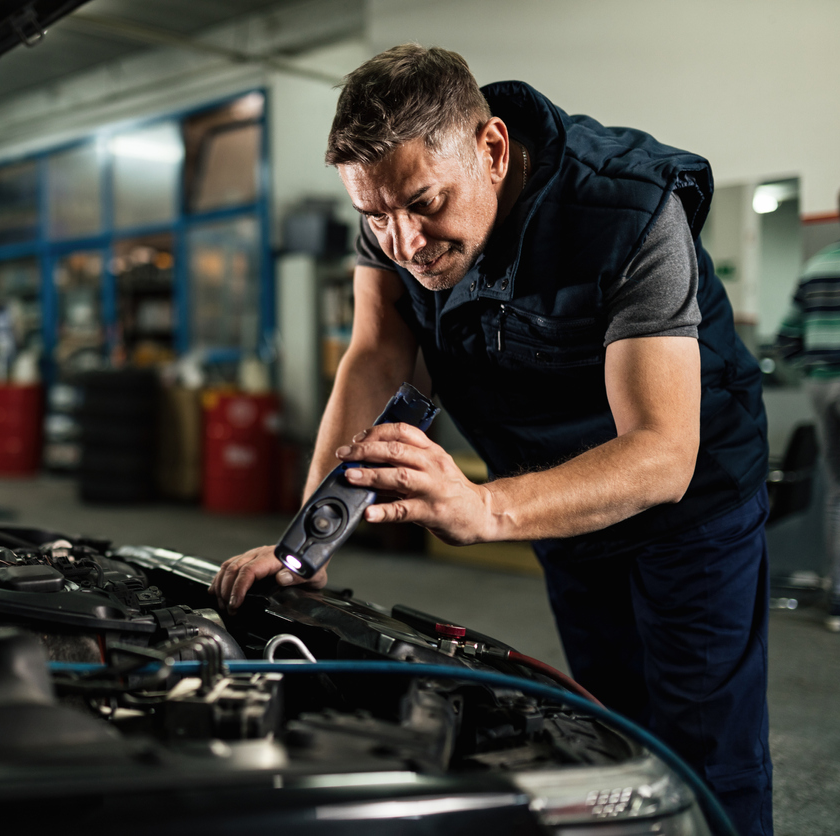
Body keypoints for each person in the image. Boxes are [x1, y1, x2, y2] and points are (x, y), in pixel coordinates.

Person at [210, 45, 771, 834]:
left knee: (708, 746)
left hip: (690, 507)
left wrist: (484, 509)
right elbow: (377, 352)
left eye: (423, 204)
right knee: (619, 729)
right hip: (555, 499)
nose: (403, 240)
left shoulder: (633, 213)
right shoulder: (395, 220)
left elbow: (661, 454)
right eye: (376, 215)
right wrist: (306, 543)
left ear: (494, 149)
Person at [776, 188, 840, 633]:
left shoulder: (818, 265)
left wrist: (814, 372)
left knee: (839, 491)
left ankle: (839, 595)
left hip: (823, 386)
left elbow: (787, 339)